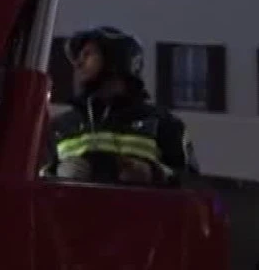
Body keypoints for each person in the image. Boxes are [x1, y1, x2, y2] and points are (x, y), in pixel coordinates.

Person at [42, 26, 197, 187]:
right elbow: (33, 181)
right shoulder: (60, 126)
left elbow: (192, 184)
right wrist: (56, 172)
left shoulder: (163, 124)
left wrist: (154, 174)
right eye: (78, 57)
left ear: (116, 60)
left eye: (88, 54)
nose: (78, 63)